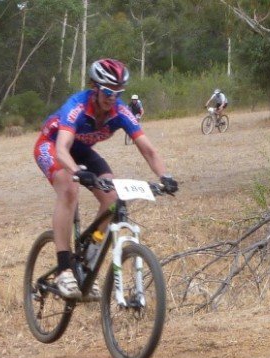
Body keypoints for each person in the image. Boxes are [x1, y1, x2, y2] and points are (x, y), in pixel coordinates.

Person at [33, 58, 179, 299]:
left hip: (82, 150)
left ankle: (90, 252)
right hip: (52, 145)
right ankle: (63, 268)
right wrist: (78, 173)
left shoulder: (120, 112)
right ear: (95, 87)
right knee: (69, 188)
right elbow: (62, 149)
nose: (112, 97)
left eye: (118, 92)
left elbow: (148, 149)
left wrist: (165, 176)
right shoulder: (76, 106)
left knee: (113, 198)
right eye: (108, 91)